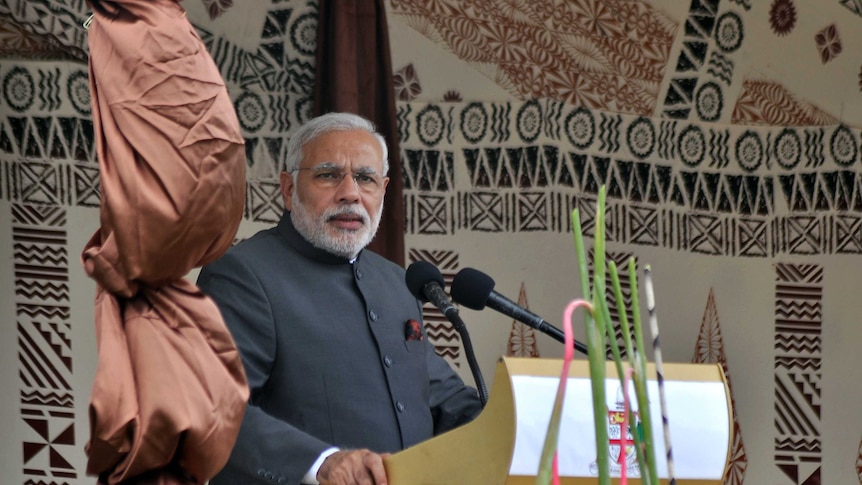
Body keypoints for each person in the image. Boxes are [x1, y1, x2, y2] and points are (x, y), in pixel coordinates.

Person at [197, 112, 482, 485]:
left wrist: (530, 423)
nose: (350, 193)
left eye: (365, 178)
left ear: (383, 190)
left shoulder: (398, 282)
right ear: (287, 189)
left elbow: (440, 396)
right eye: (328, 175)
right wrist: (321, 463)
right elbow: (213, 408)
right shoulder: (243, 275)